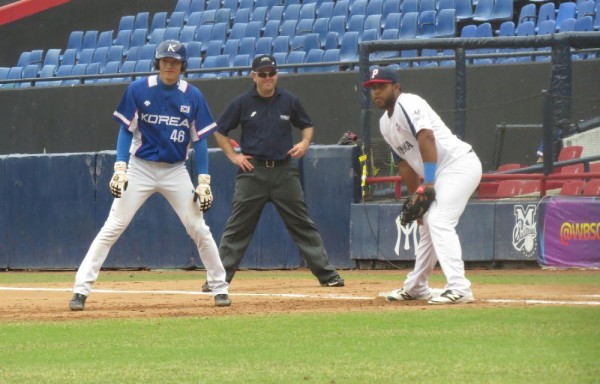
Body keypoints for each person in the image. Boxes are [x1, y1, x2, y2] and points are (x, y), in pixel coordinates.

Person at [68, 40, 231, 310]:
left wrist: (204, 180)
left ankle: (219, 287)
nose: (169, 65)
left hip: (175, 170)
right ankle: (80, 290)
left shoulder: (193, 95)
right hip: (140, 166)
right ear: (157, 63)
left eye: (175, 61)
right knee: (113, 226)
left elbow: (200, 140)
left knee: (198, 228)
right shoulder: (138, 89)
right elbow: (126, 129)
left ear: (182, 66)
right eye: (165, 60)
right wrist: (120, 167)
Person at [203, 54, 344, 290]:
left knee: (302, 224)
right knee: (237, 227)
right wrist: (233, 156)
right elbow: (219, 130)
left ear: (276, 74)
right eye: (263, 74)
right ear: (254, 76)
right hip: (253, 172)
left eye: (272, 73)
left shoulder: (288, 100)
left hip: (284, 172)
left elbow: (307, 125)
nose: (268, 78)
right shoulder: (242, 103)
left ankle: (327, 275)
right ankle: (218, 280)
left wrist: (305, 143)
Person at [364, 67, 482, 304]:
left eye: (382, 86)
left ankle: (459, 287)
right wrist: (416, 198)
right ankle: (417, 286)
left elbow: (426, 136)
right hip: (438, 174)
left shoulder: (409, 102)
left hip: (458, 165)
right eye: (373, 87)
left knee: (439, 220)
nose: (376, 91)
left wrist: (427, 182)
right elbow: (404, 164)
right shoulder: (384, 124)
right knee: (427, 224)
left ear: (396, 88)